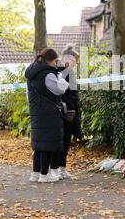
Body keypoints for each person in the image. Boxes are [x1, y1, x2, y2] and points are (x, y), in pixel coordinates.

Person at [25, 48, 69, 183]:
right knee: (48, 145)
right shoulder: (48, 74)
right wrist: (60, 75)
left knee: (39, 145)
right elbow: (60, 89)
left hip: (37, 111)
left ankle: (35, 174)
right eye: (56, 61)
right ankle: (45, 175)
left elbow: (28, 95)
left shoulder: (32, 73)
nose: (56, 64)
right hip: (49, 112)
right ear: (50, 60)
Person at [55, 45, 83, 179]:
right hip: (64, 113)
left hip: (70, 113)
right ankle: (58, 169)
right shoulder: (60, 73)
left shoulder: (68, 73)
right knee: (62, 141)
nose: (75, 64)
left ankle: (62, 168)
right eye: (74, 61)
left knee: (66, 141)